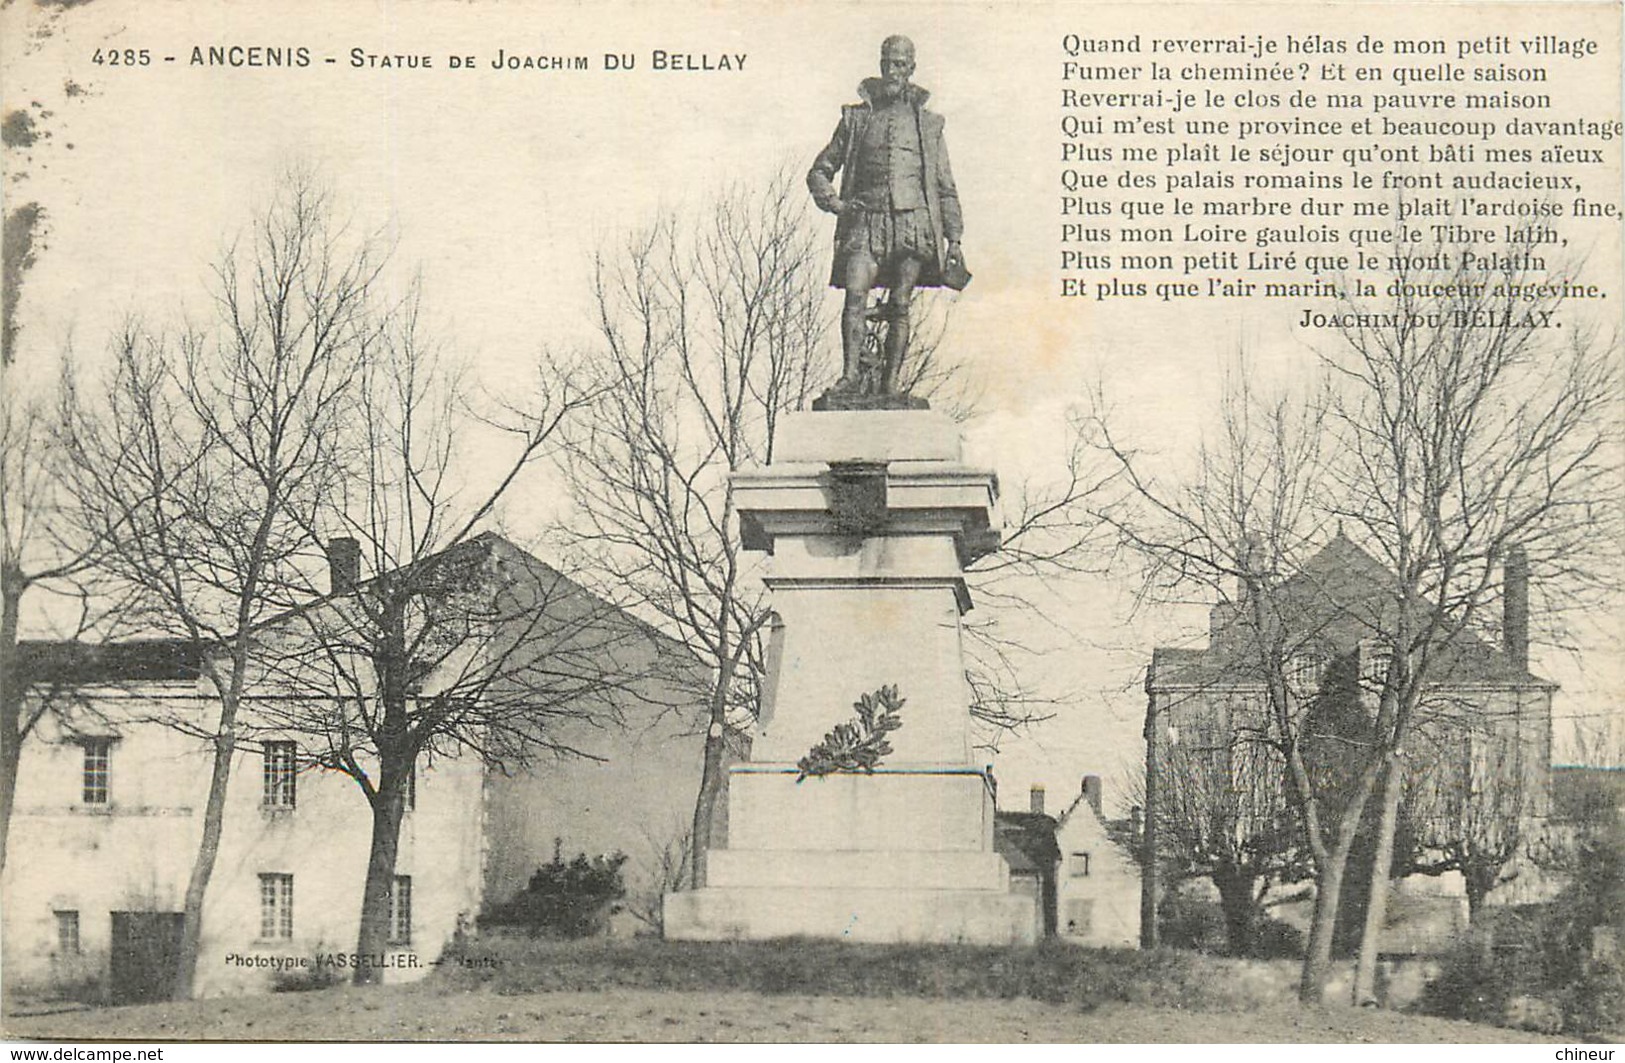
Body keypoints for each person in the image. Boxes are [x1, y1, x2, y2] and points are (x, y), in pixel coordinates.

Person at [807, 35, 965, 400]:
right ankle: (849, 378)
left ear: (911, 68)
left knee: (899, 305)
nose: (892, 70)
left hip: (913, 224)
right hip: (865, 221)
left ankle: (892, 385)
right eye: (887, 62)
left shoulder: (929, 125)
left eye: (899, 64)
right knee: (855, 296)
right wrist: (835, 204)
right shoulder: (856, 118)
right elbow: (820, 169)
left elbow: (945, 185)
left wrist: (954, 238)